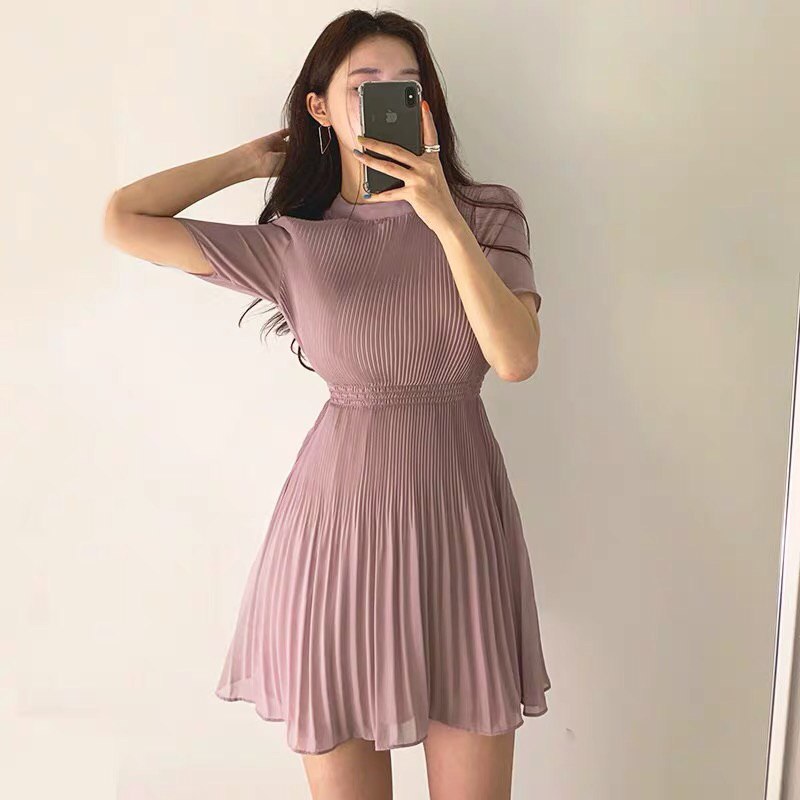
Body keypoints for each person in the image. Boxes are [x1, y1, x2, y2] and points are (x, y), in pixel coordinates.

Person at [104, 9, 550, 800]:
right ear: (320, 108)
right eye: (364, 86)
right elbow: (123, 220)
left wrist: (443, 218)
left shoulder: (488, 214)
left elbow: (515, 359)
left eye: (408, 86)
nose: (390, 99)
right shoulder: (295, 241)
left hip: (461, 527)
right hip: (336, 540)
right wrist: (249, 161)